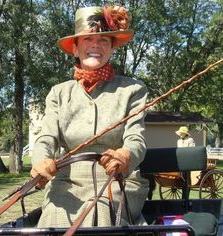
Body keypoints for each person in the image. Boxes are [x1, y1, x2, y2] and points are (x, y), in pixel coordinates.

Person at [30, 5, 149, 228]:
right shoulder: (58, 93)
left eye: (104, 39)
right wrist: (40, 162)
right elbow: (46, 139)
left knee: (98, 209)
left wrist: (125, 155)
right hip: (67, 183)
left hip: (117, 181)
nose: (96, 44)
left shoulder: (133, 89)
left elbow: (136, 139)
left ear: (112, 48)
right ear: (74, 49)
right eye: (87, 39)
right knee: (54, 217)